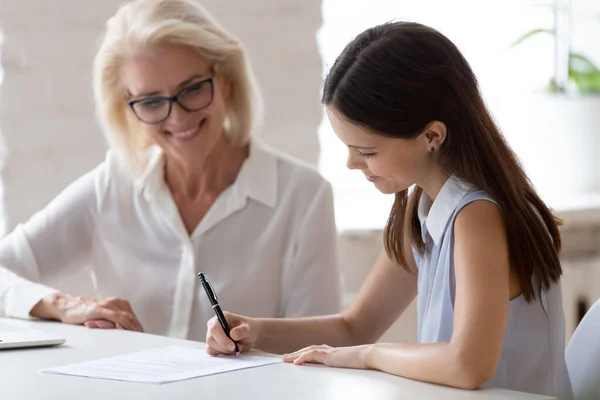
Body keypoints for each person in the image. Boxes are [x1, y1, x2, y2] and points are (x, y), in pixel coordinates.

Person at [205, 21, 573, 398]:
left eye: (367, 152)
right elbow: (355, 326)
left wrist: (367, 357)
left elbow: (468, 365)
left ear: (432, 136)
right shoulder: (424, 211)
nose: (351, 163)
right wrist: (256, 330)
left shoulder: (477, 217)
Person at [0, 0, 341, 340]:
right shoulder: (113, 186)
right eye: (150, 101)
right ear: (128, 108)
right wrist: (60, 303)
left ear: (225, 80)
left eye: (191, 89)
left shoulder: (302, 197)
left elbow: (319, 352)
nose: (177, 117)